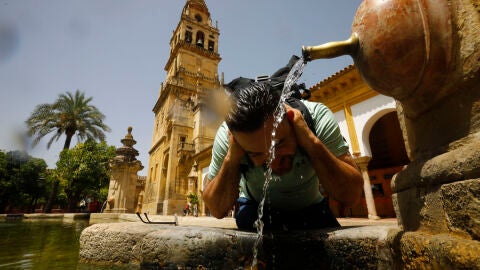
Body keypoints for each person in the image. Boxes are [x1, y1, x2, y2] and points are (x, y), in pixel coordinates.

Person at [202, 64, 363, 230]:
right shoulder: (228, 136)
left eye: (278, 144)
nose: (273, 162)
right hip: (254, 210)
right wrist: (231, 158)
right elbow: (216, 209)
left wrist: (310, 141)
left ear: (291, 118)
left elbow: (351, 195)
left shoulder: (316, 118)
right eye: (256, 154)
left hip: (312, 210)